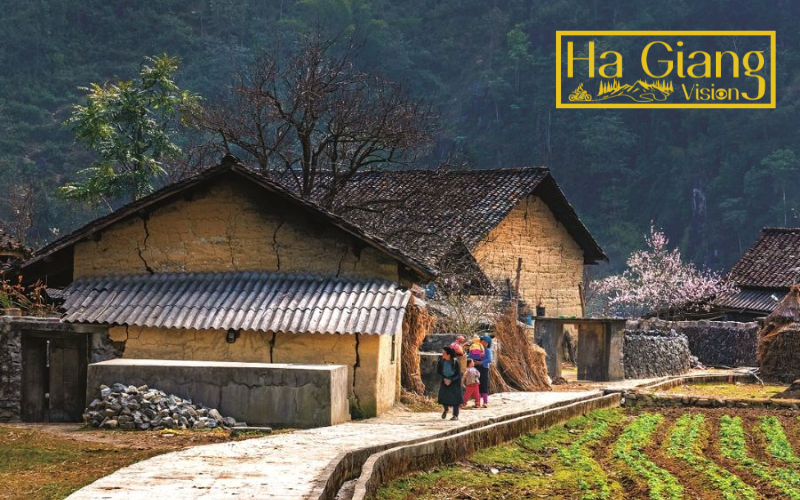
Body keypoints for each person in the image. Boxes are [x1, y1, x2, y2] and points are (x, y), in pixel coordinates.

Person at [437, 346, 463, 420]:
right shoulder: (441, 361)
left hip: (454, 382)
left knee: (456, 400)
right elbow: (438, 371)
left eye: (444, 353)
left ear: (448, 355)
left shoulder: (455, 362)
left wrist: (451, 380)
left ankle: (455, 415)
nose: (442, 354)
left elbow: (459, 374)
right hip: (445, 381)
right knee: (443, 398)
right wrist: (444, 378)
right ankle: (446, 409)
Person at [473, 335, 493, 407]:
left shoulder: (487, 351)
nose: (484, 343)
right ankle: (477, 403)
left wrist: (481, 362)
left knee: (484, 384)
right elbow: (471, 356)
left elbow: (489, 359)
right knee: (476, 385)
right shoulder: (476, 349)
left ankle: (485, 402)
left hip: (484, 369)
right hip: (476, 368)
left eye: (486, 342)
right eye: (483, 341)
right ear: (480, 341)